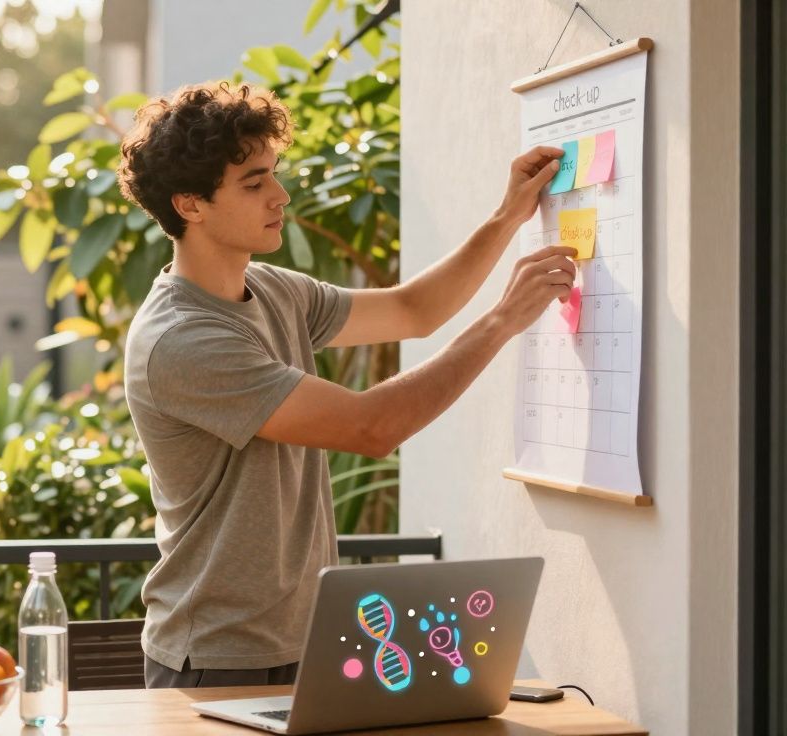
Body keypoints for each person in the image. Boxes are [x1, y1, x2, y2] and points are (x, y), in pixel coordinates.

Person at [117, 82, 575, 688]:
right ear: (190, 205)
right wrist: (502, 321)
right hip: (219, 659)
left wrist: (509, 215)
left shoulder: (275, 290)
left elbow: (413, 310)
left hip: (305, 642)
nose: (280, 195)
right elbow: (370, 427)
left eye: (274, 174)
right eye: (254, 184)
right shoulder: (182, 340)